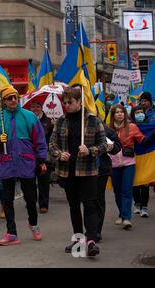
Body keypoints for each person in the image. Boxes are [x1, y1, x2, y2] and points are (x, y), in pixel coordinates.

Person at [49, 87, 107, 256]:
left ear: (79, 101)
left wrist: (90, 150)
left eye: (71, 102)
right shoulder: (60, 121)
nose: (67, 105)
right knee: (74, 206)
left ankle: (91, 241)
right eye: (65, 102)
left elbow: (104, 144)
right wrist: (60, 154)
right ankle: (78, 241)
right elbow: (52, 144)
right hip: (68, 171)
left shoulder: (93, 121)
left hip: (87, 171)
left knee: (89, 205)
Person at [0, 86, 47, 246]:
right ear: (4, 101)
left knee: (30, 198)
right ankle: (11, 232)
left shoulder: (30, 117)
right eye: (9, 98)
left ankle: (33, 225)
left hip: (26, 163)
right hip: (7, 164)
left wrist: (41, 160)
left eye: (15, 97)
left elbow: (40, 141)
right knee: (7, 201)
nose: (13, 100)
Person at [109, 104, 155, 228]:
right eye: (117, 112)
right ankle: (121, 214)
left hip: (129, 164)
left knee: (126, 191)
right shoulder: (107, 129)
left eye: (122, 112)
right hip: (113, 165)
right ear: (113, 115)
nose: (119, 114)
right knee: (117, 192)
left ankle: (126, 218)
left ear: (125, 114)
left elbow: (143, 141)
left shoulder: (132, 127)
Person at [96, 124, 121, 242]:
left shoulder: (106, 129)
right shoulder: (78, 127)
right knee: (87, 200)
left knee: (98, 199)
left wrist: (111, 147)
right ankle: (88, 228)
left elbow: (117, 147)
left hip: (101, 170)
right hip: (83, 169)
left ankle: (96, 231)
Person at [29, 100, 54, 213]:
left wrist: (54, 127)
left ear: (42, 108)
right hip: (29, 156)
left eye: (37, 106)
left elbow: (52, 139)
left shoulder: (49, 121)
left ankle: (44, 204)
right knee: (30, 181)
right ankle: (32, 201)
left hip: (44, 155)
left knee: (43, 181)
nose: (35, 109)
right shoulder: (27, 120)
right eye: (33, 106)